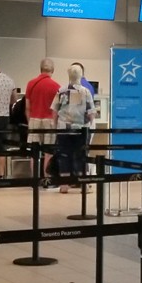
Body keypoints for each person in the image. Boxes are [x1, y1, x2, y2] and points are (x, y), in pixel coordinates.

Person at [51, 64, 95, 193]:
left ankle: (64, 185)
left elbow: (54, 110)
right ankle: (83, 184)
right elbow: (91, 112)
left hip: (63, 129)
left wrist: (55, 126)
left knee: (64, 155)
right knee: (81, 155)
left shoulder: (61, 90)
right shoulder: (85, 91)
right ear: (80, 75)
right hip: (81, 129)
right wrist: (90, 124)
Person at [25, 58, 60, 178]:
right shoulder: (56, 86)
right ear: (53, 70)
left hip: (34, 119)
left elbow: (27, 107)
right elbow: (57, 109)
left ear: (40, 69)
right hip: (50, 120)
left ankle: (34, 179)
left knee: (34, 152)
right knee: (49, 152)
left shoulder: (31, 83)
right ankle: (46, 178)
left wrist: (30, 121)